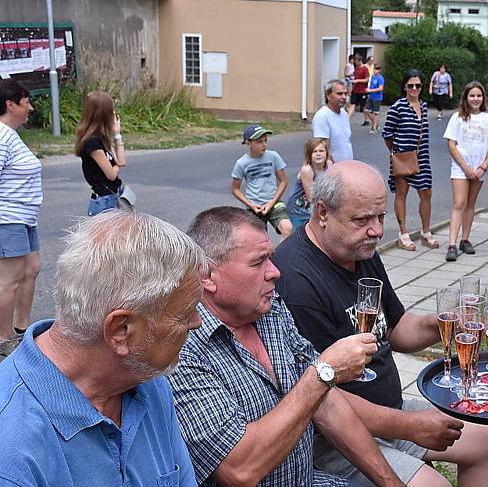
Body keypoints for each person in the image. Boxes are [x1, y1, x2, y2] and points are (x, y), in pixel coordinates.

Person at [272, 161, 488, 487]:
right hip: (332, 438)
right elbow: (321, 400)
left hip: (388, 411)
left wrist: (441, 324)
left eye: (380, 217)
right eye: (363, 219)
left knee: (484, 436)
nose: (377, 231)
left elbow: (395, 329)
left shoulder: (358, 248)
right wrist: (410, 426)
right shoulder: (296, 281)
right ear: (322, 213)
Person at [172, 206, 403, 487]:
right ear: (207, 275)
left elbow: (326, 405)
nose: (275, 272)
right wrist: (322, 373)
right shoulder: (183, 348)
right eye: (259, 262)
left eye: (271, 258)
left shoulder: (269, 310)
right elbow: (240, 470)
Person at [0, 210, 206, 485]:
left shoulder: (143, 378)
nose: (197, 322)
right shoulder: (13, 450)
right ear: (121, 331)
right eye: (184, 314)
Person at [0, 79, 39, 358]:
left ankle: (21, 330)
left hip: (26, 217)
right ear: (10, 105)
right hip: (8, 217)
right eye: (26, 103)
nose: (30, 109)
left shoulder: (13, 136)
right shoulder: (1, 136)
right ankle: (4, 340)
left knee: (31, 270)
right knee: (10, 281)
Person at [382, 70, 438, 251]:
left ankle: (426, 232)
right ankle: (403, 233)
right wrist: (395, 153)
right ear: (404, 86)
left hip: (422, 157)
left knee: (426, 193)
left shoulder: (423, 106)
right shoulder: (397, 107)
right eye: (410, 85)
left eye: (418, 85)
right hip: (403, 158)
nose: (414, 88)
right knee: (401, 194)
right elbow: (387, 134)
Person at [443, 81, 488, 262]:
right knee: (459, 202)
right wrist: (465, 167)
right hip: (461, 168)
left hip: (479, 169)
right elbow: (451, 144)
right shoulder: (457, 118)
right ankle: (451, 243)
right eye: (472, 96)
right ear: (466, 97)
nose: (475, 99)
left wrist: (484, 166)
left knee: (471, 203)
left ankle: (465, 240)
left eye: (479, 96)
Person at [231, 124, 293, 240]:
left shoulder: (273, 156)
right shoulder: (241, 163)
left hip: (274, 203)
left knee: (287, 227)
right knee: (260, 238)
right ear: (248, 143)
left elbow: (283, 181)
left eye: (265, 141)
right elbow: (235, 189)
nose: (264, 145)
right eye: (259, 142)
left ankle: (282, 256)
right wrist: (251, 205)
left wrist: (272, 203)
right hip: (254, 206)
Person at [74, 91, 129, 216]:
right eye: (111, 110)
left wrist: (117, 134)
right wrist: (117, 166)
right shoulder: (91, 143)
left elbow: (122, 161)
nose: (114, 114)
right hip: (104, 201)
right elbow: (111, 175)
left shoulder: (102, 138)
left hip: (114, 196)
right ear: (104, 114)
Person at [286, 138, 332, 228]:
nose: (318, 154)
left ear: (326, 153)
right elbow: (311, 197)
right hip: (299, 209)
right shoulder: (307, 170)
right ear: (309, 155)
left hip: (317, 205)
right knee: (302, 236)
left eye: (321, 151)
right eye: (314, 152)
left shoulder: (329, 165)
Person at [313, 79, 354, 162]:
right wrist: (333, 170)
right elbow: (323, 149)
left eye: (345, 94)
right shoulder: (322, 116)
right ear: (328, 95)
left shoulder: (344, 114)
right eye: (339, 94)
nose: (344, 97)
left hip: (347, 167)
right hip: (333, 170)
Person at [366, 64, 385, 134]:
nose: (375, 71)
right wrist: (368, 89)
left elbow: (380, 88)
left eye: (377, 69)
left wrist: (370, 90)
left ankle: (374, 128)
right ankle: (375, 123)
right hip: (371, 96)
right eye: (374, 69)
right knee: (366, 110)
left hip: (377, 97)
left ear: (379, 70)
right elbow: (371, 85)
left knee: (375, 113)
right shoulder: (373, 77)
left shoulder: (380, 78)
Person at [350, 54, 370, 123]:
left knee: (364, 107)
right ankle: (346, 119)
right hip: (355, 90)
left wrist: (358, 80)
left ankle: (367, 120)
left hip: (363, 91)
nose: (355, 63)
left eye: (356, 62)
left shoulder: (365, 69)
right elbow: (355, 77)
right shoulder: (356, 68)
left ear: (360, 61)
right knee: (352, 104)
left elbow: (367, 79)